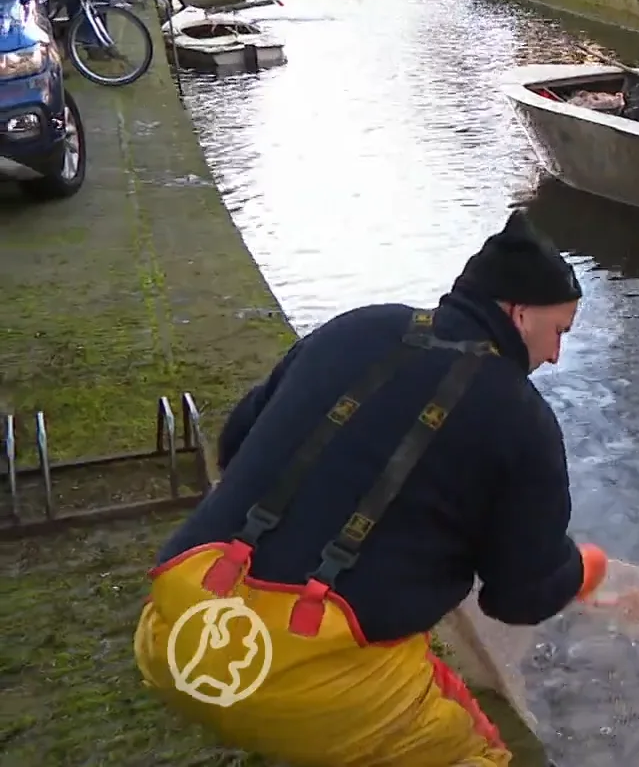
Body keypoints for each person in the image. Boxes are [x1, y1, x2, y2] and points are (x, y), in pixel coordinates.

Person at [133, 211, 608, 767]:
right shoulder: (524, 419)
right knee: (486, 752)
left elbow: (236, 443)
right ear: (520, 314)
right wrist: (577, 570)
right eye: (559, 332)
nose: (555, 355)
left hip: (176, 637)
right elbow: (518, 597)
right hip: (319, 686)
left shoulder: (355, 327)